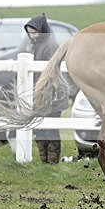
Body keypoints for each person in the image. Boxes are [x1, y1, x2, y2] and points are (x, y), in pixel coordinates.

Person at [24, 13, 67, 163]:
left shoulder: (50, 46)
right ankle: (45, 163)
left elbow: (52, 75)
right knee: (40, 130)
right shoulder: (38, 45)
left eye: (34, 32)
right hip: (41, 96)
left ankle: (52, 162)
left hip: (52, 97)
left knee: (50, 130)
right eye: (30, 33)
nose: (32, 36)